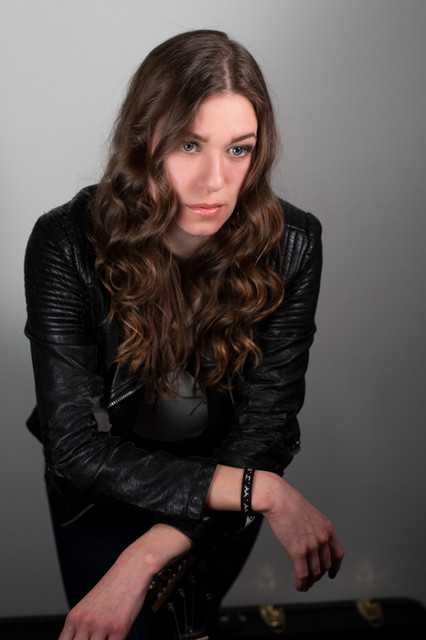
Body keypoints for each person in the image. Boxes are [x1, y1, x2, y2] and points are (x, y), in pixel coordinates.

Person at [24, 29, 344, 640]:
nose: (215, 180)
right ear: (144, 140)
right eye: (189, 144)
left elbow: (264, 425)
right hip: (102, 492)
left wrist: (147, 554)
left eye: (239, 149)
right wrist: (264, 492)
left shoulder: (294, 245)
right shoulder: (65, 244)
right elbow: (77, 449)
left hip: (230, 478)